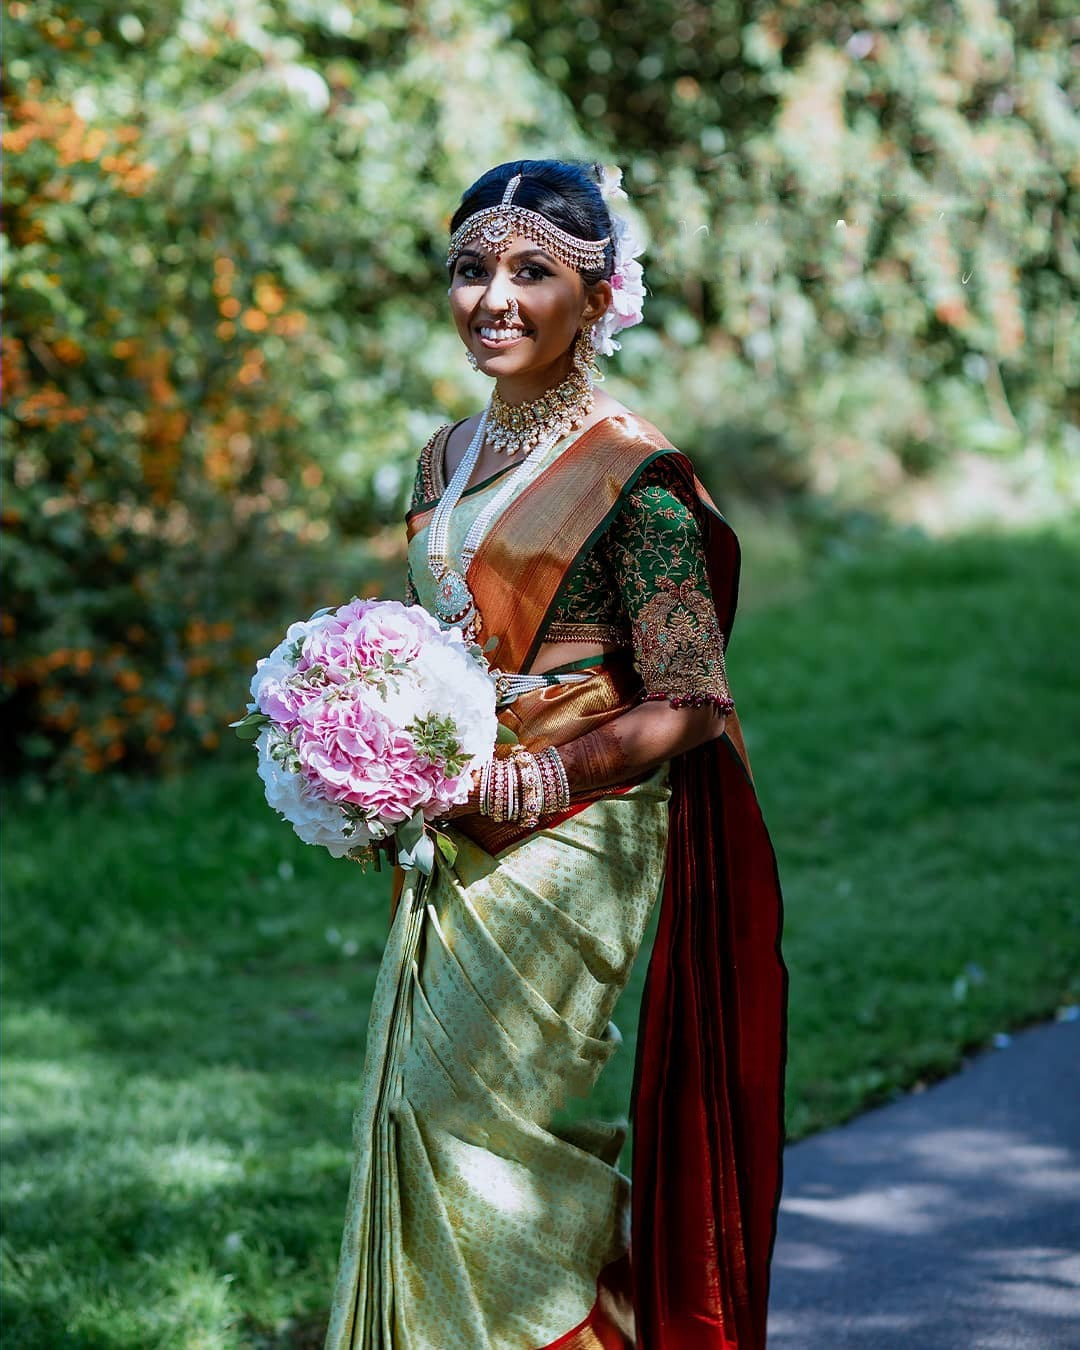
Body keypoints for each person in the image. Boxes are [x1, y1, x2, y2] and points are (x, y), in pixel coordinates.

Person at [324, 158, 788, 1350]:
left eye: (533, 270)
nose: (495, 297)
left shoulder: (635, 480)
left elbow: (693, 700)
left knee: (474, 1121)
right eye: (471, 268)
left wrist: (537, 777)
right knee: (414, 1115)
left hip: (583, 825)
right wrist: (369, 746)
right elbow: (439, 649)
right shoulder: (443, 459)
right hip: (454, 825)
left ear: (598, 297)